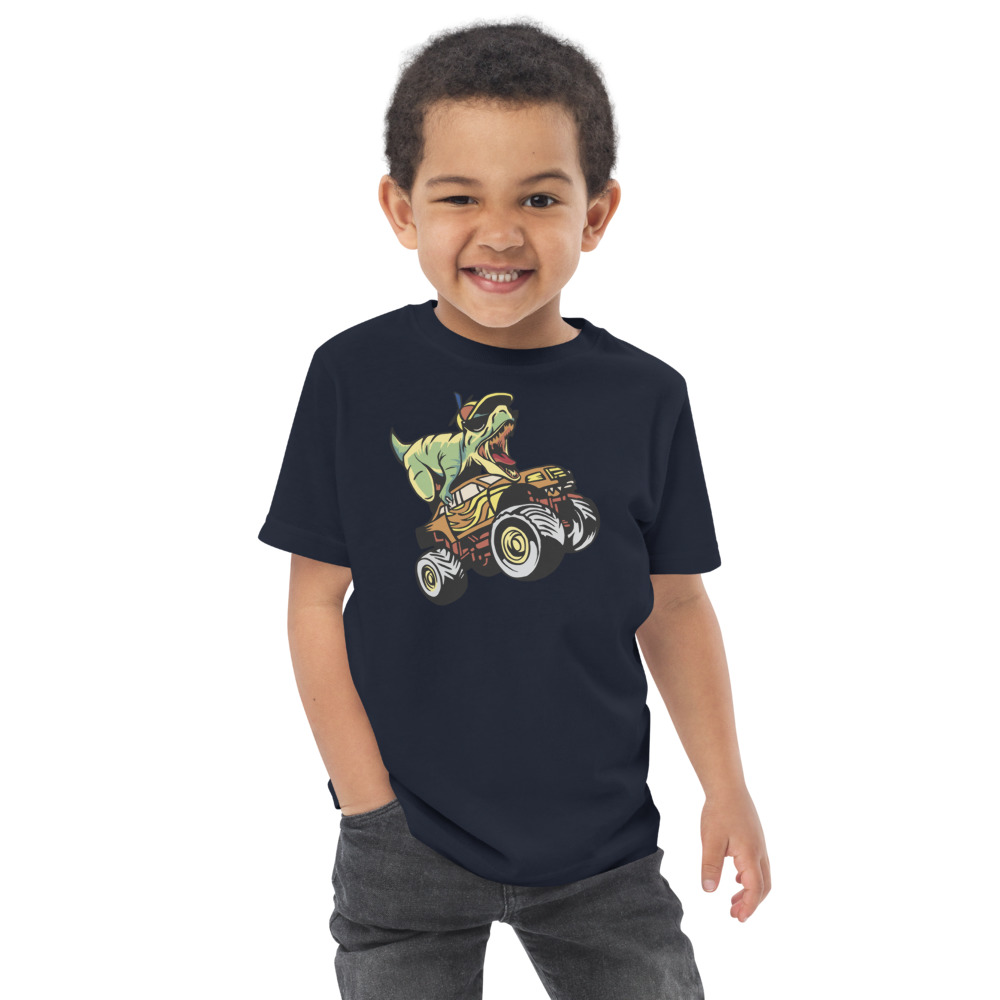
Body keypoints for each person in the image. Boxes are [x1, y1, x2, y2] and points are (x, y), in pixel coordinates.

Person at [258, 18, 770, 1000]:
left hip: (602, 841)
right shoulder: (354, 375)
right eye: (460, 197)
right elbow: (315, 600)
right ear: (401, 209)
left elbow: (674, 604)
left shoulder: (646, 396)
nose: (499, 232)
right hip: (406, 832)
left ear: (596, 212)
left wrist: (726, 785)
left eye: (539, 197)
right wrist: (366, 802)